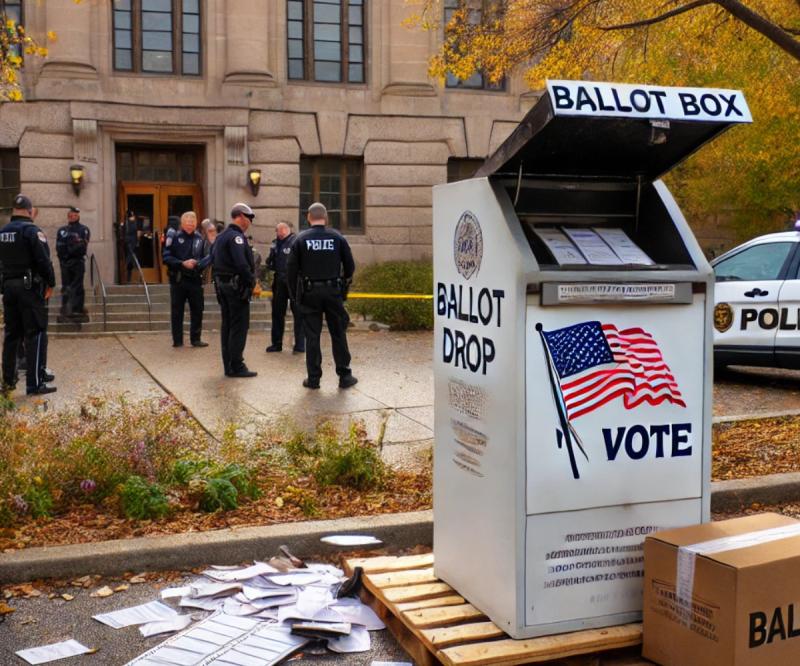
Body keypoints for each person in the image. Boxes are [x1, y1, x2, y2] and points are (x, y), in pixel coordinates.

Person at [287, 202, 356, 390]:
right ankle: (345, 376)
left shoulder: (300, 239)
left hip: (310, 293)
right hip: (333, 291)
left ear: (309, 217)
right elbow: (350, 266)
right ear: (325, 218)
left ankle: (314, 378)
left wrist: (295, 296)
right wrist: (343, 284)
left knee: (312, 336)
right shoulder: (337, 237)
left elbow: (291, 271)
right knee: (338, 333)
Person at [0, 194, 57, 395]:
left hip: (9, 289)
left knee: (11, 335)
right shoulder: (32, 231)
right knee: (36, 334)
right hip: (29, 289)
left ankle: (8, 382)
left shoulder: (3, 232)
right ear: (30, 211)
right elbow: (43, 261)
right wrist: (51, 282)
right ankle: (35, 383)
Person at [213, 203, 258, 378]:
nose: (250, 222)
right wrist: (251, 281)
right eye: (249, 218)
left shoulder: (221, 236)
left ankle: (229, 365)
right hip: (235, 287)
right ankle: (237, 365)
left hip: (223, 286)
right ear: (240, 216)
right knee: (239, 326)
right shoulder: (236, 237)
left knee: (228, 326)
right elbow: (241, 264)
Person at [162, 211, 211, 348]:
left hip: (195, 279)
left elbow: (205, 257)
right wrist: (181, 263)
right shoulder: (174, 237)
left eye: (193, 222)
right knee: (177, 311)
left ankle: (196, 339)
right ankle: (177, 340)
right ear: (182, 223)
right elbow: (166, 257)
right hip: (179, 279)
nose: (190, 224)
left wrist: (199, 263)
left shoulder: (199, 238)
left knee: (197, 309)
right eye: (188, 222)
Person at [266, 221, 304, 354]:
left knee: (298, 313)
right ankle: (276, 344)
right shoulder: (275, 243)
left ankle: (300, 345)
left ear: (286, 229)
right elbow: (270, 262)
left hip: (294, 281)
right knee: (277, 313)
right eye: (277, 231)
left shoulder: (296, 241)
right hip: (279, 281)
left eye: (280, 230)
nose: (278, 233)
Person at [56, 206, 90, 323]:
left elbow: (81, 247)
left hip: (78, 262)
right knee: (66, 286)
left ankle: (77, 309)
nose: (72, 217)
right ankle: (66, 308)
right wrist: (66, 255)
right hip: (65, 263)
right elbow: (59, 247)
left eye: (75, 215)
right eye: (70, 215)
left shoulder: (83, 229)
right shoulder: (62, 230)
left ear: (78, 216)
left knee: (77, 286)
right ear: (68, 216)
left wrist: (69, 250)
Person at [121, 210, 139, 282]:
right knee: (130, 257)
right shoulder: (134, 223)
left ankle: (128, 277)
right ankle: (129, 275)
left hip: (127, 242)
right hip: (132, 242)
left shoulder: (125, 223)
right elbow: (137, 233)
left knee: (129, 256)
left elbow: (122, 232)